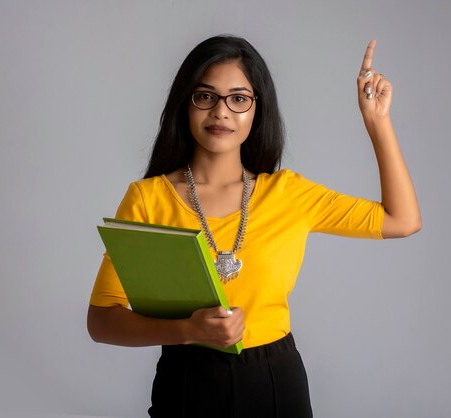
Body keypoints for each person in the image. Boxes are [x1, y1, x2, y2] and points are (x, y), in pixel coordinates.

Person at [87, 35, 421, 417]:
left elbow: (403, 220)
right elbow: (102, 320)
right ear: (186, 103)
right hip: (186, 382)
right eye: (206, 96)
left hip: (275, 382)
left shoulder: (288, 194)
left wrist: (377, 122)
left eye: (239, 98)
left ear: (257, 109)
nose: (221, 112)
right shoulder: (146, 199)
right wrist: (188, 331)